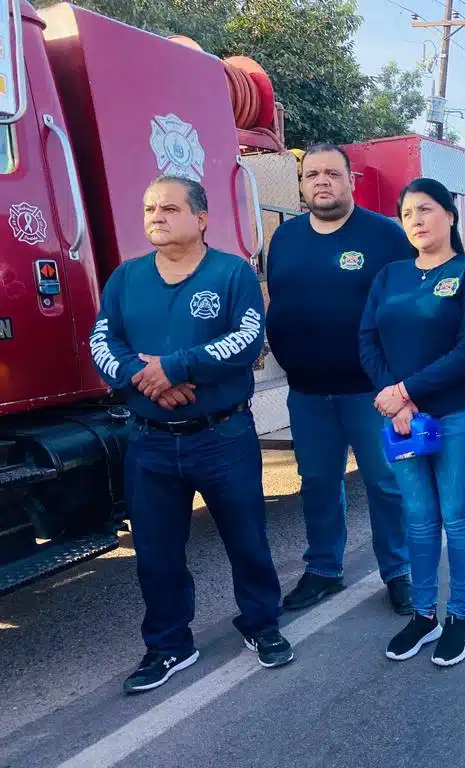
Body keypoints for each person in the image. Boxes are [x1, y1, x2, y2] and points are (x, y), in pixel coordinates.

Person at [89, 175, 294, 694]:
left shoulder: (231, 274)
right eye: (149, 207)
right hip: (150, 441)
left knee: (246, 539)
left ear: (201, 219)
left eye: (169, 208)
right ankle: (168, 646)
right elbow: (101, 341)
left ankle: (261, 625)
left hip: (222, 437)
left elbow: (248, 339)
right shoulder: (125, 279)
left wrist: (177, 367)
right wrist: (147, 377)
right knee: (156, 553)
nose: (156, 216)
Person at [265, 143, 413, 614]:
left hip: (371, 392)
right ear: (302, 184)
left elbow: (415, 303)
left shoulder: (386, 236)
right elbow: (279, 300)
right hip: (307, 392)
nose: (322, 181)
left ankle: (400, 570)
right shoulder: (285, 239)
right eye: (312, 175)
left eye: (332, 173)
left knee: (386, 483)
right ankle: (324, 569)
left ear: (351, 181)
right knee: (318, 483)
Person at [359, 177, 465, 667]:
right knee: (418, 520)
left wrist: (406, 392)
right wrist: (395, 400)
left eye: (426, 210)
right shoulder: (390, 276)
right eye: (407, 214)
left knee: (456, 517)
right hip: (404, 422)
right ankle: (424, 615)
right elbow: (368, 339)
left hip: (459, 415)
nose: (416, 221)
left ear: (450, 215)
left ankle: (458, 617)